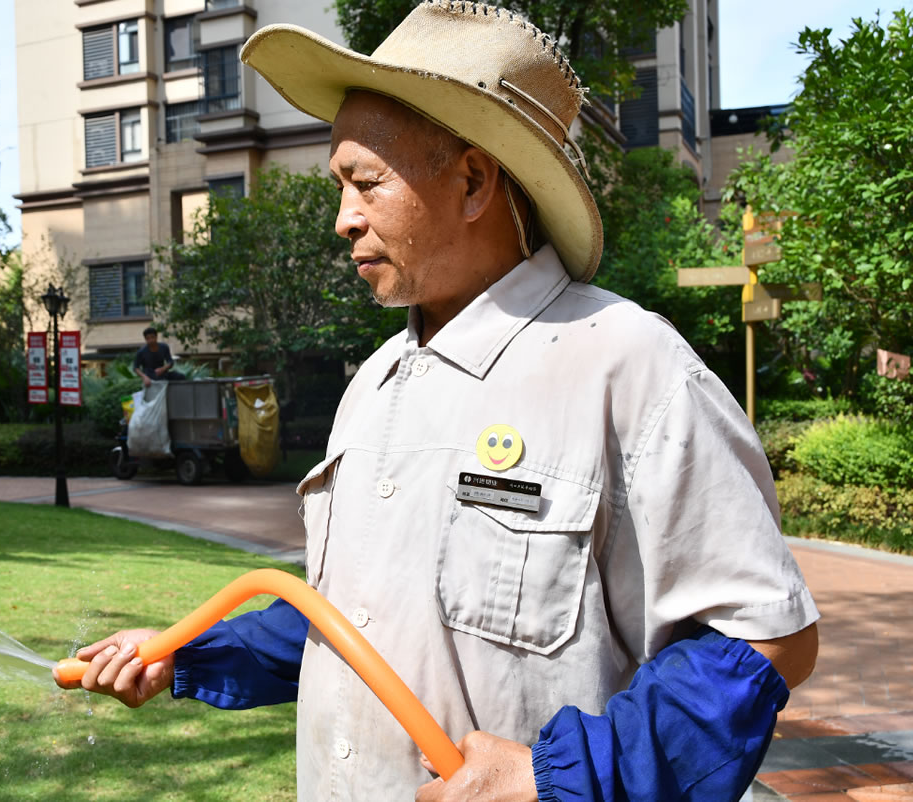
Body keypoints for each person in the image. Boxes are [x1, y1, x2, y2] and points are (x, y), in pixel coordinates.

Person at [56, 3, 819, 800]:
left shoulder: (630, 366)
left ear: (472, 181)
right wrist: (184, 650)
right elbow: (353, 615)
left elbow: (768, 639)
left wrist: (558, 777)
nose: (343, 219)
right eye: (340, 187)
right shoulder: (374, 383)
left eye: (366, 183)